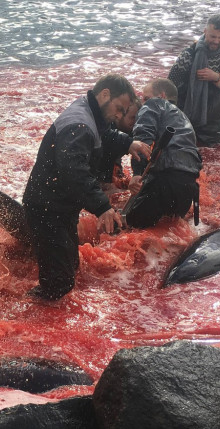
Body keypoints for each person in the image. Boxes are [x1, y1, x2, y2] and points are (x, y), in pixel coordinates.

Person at [22, 75, 150, 301]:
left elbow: (104, 133)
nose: (119, 116)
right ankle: (27, 320)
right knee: (59, 283)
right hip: (46, 207)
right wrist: (102, 206)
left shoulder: (91, 112)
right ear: (104, 95)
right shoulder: (79, 125)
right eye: (119, 108)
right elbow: (74, 171)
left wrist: (128, 143)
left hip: (58, 204)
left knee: (71, 268)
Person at [122, 78, 202, 228]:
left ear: (162, 96)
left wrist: (137, 174)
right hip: (188, 190)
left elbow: (142, 142)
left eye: (146, 98)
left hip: (166, 182)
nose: (142, 103)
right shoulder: (183, 119)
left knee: (128, 228)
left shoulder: (154, 104)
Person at [168, 14, 220, 147]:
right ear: (205, 31)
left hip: (213, 121)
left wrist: (216, 77)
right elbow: (170, 85)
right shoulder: (188, 54)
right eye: (213, 36)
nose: (216, 41)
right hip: (186, 116)